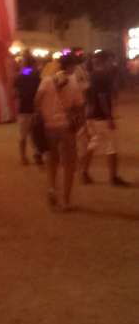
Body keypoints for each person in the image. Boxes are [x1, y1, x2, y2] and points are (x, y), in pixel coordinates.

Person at [35, 54, 84, 211]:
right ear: (71, 66)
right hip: (66, 127)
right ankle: (65, 200)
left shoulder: (47, 80)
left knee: (52, 160)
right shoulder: (74, 82)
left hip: (49, 126)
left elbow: (37, 101)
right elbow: (79, 105)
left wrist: (44, 113)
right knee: (69, 163)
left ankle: (52, 189)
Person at [80, 51, 129, 186]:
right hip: (101, 116)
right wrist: (109, 117)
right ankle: (113, 177)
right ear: (106, 61)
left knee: (93, 143)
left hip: (92, 115)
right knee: (111, 146)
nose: (112, 63)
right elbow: (102, 97)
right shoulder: (103, 76)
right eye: (110, 60)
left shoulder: (92, 75)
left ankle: (84, 172)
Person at [14, 52, 41, 165]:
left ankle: (23, 156)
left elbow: (15, 92)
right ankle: (37, 154)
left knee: (23, 135)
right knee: (36, 135)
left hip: (23, 108)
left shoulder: (21, 76)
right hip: (35, 108)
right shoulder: (36, 76)